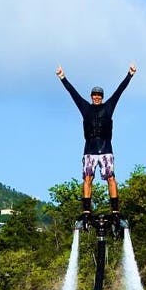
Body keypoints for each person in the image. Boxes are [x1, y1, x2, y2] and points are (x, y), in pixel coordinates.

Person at [55, 63, 137, 223]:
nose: (97, 97)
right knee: (87, 178)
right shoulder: (85, 108)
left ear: (102, 97)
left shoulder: (108, 107)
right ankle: (86, 210)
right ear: (91, 96)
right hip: (89, 150)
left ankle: (115, 210)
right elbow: (73, 93)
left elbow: (119, 91)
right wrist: (62, 77)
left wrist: (130, 74)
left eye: (99, 95)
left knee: (111, 178)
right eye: (94, 95)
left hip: (106, 149)